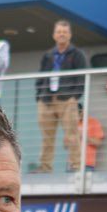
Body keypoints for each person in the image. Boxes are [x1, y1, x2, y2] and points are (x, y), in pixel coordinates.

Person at [35, 20, 89, 173]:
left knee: (72, 134)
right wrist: (39, 96)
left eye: (65, 32)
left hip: (67, 99)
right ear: (54, 35)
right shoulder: (48, 55)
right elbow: (40, 76)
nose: (62, 35)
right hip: (47, 99)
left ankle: (76, 166)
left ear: (70, 35)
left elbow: (82, 77)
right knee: (47, 136)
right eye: (59, 32)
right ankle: (45, 167)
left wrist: (74, 97)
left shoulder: (77, 54)